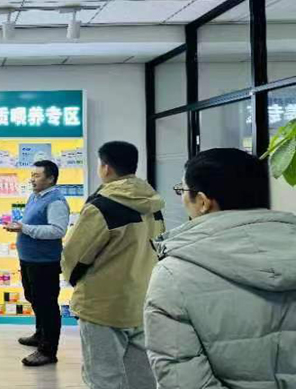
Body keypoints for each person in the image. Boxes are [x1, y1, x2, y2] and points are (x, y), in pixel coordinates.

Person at [145, 148, 296, 389]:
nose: (182, 199)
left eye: (182, 190)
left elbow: (182, 379)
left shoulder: (173, 274)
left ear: (203, 201)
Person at [61, 141, 165, 389]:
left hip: (102, 304)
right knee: (141, 376)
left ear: (106, 167)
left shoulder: (101, 206)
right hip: (141, 298)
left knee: (104, 376)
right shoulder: (152, 203)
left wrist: (74, 280)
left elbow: (75, 255)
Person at [5, 160, 70, 366]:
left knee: (47, 305)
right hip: (29, 259)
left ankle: (48, 351)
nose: (32, 179)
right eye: (31, 175)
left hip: (44, 262)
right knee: (34, 298)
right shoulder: (35, 196)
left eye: (37, 176)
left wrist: (24, 228)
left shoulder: (56, 201)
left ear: (50, 178)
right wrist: (20, 226)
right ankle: (40, 335)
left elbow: (57, 231)